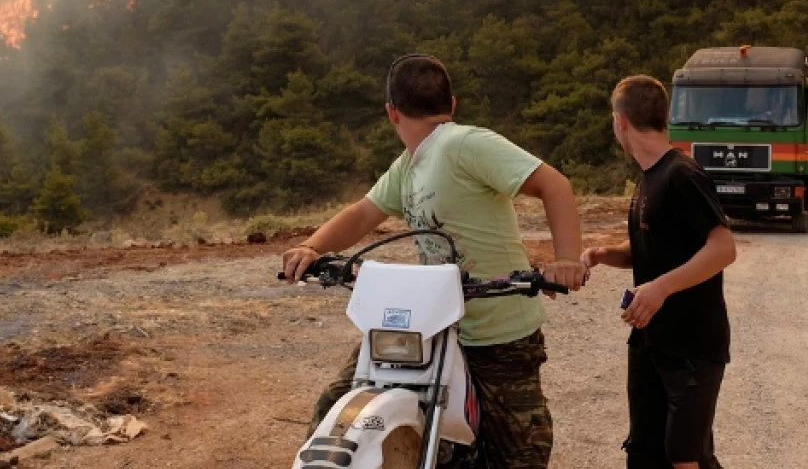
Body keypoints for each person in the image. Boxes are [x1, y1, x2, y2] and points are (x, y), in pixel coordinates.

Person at [280, 53, 587, 468]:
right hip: (433, 323)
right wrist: (313, 248)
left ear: (391, 112)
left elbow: (554, 184)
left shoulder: (465, 143)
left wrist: (566, 261)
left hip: (497, 331)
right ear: (452, 103)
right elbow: (363, 212)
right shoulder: (409, 165)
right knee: (337, 412)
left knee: (517, 456)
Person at [581, 75, 738, 469]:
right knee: (645, 452)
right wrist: (603, 254)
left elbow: (723, 248)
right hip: (652, 342)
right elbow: (658, 246)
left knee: (685, 459)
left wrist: (659, 289)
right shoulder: (649, 177)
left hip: (693, 346)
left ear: (620, 122)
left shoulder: (682, 174)